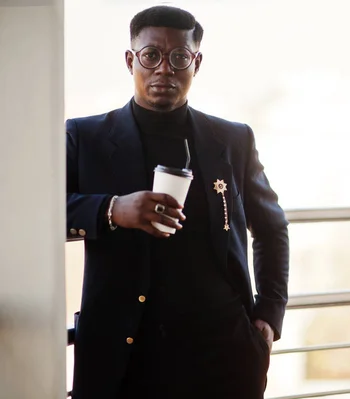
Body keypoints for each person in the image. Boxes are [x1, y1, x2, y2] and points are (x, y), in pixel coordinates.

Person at [66, 5, 289, 399]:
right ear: (130, 60)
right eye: (151, 55)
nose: (164, 69)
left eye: (179, 57)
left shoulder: (233, 140)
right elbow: (37, 214)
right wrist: (112, 209)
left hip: (224, 352)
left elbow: (271, 228)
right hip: (124, 354)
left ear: (196, 62)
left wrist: (267, 317)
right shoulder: (84, 138)